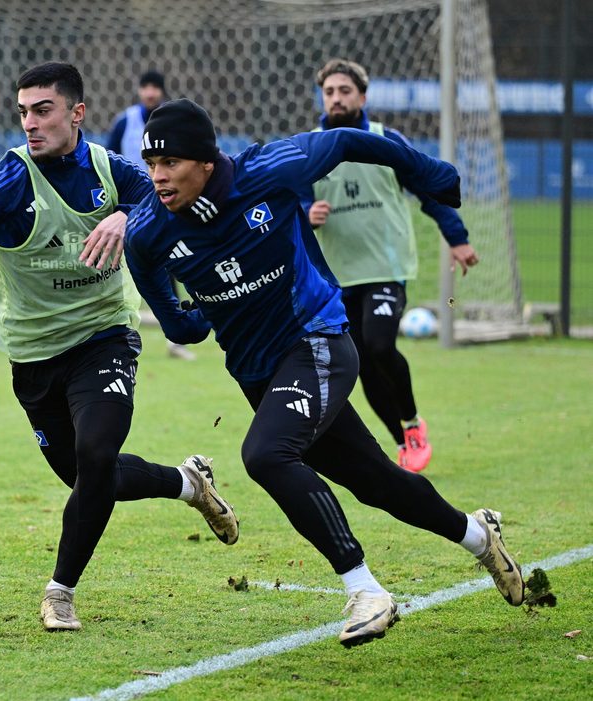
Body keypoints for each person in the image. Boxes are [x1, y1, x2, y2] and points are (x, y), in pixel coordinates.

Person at [0, 64, 239, 633]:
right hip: (32, 357)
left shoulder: (115, 172)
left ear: (77, 113)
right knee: (88, 478)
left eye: (44, 110)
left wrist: (129, 216)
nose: (30, 122)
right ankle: (187, 483)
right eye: (23, 111)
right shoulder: (2, 184)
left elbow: (169, 197)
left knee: (97, 455)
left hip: (104, 337)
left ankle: (61, 592)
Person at [117, 98, 524, 647]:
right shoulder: (146, 235)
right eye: (150, 165)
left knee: (264, 455)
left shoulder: (268, 170)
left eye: (170, 164)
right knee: (376, 482)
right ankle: (480, 537)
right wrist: (198, 314)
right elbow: (179, 326)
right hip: (259, 375)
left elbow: (350, 141)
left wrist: (427, 172)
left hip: (320, 341)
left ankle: (365, 589)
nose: (157, 177)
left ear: (206, 161)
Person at [301, 59, 480, 473]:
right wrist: (307, 209)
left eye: (345, 90)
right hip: (336, 275)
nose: (336, 98)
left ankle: (414, 423)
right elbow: (288, 198)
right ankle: (403, 442)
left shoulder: (385, 140)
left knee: (381, 345)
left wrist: (458, 238)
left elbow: (430, 191)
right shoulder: (308, 146)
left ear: (362, 97)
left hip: (385, 266)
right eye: (329, 92)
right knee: (360, 362)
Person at [107, 69, 196, 360]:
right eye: (145, 87)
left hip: (166, 205)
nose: (149, 93)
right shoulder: (125, 122)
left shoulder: (172, 122)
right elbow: (107, 160)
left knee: (172, 267)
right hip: (131, 210)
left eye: (154, 88)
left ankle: (178, 336)